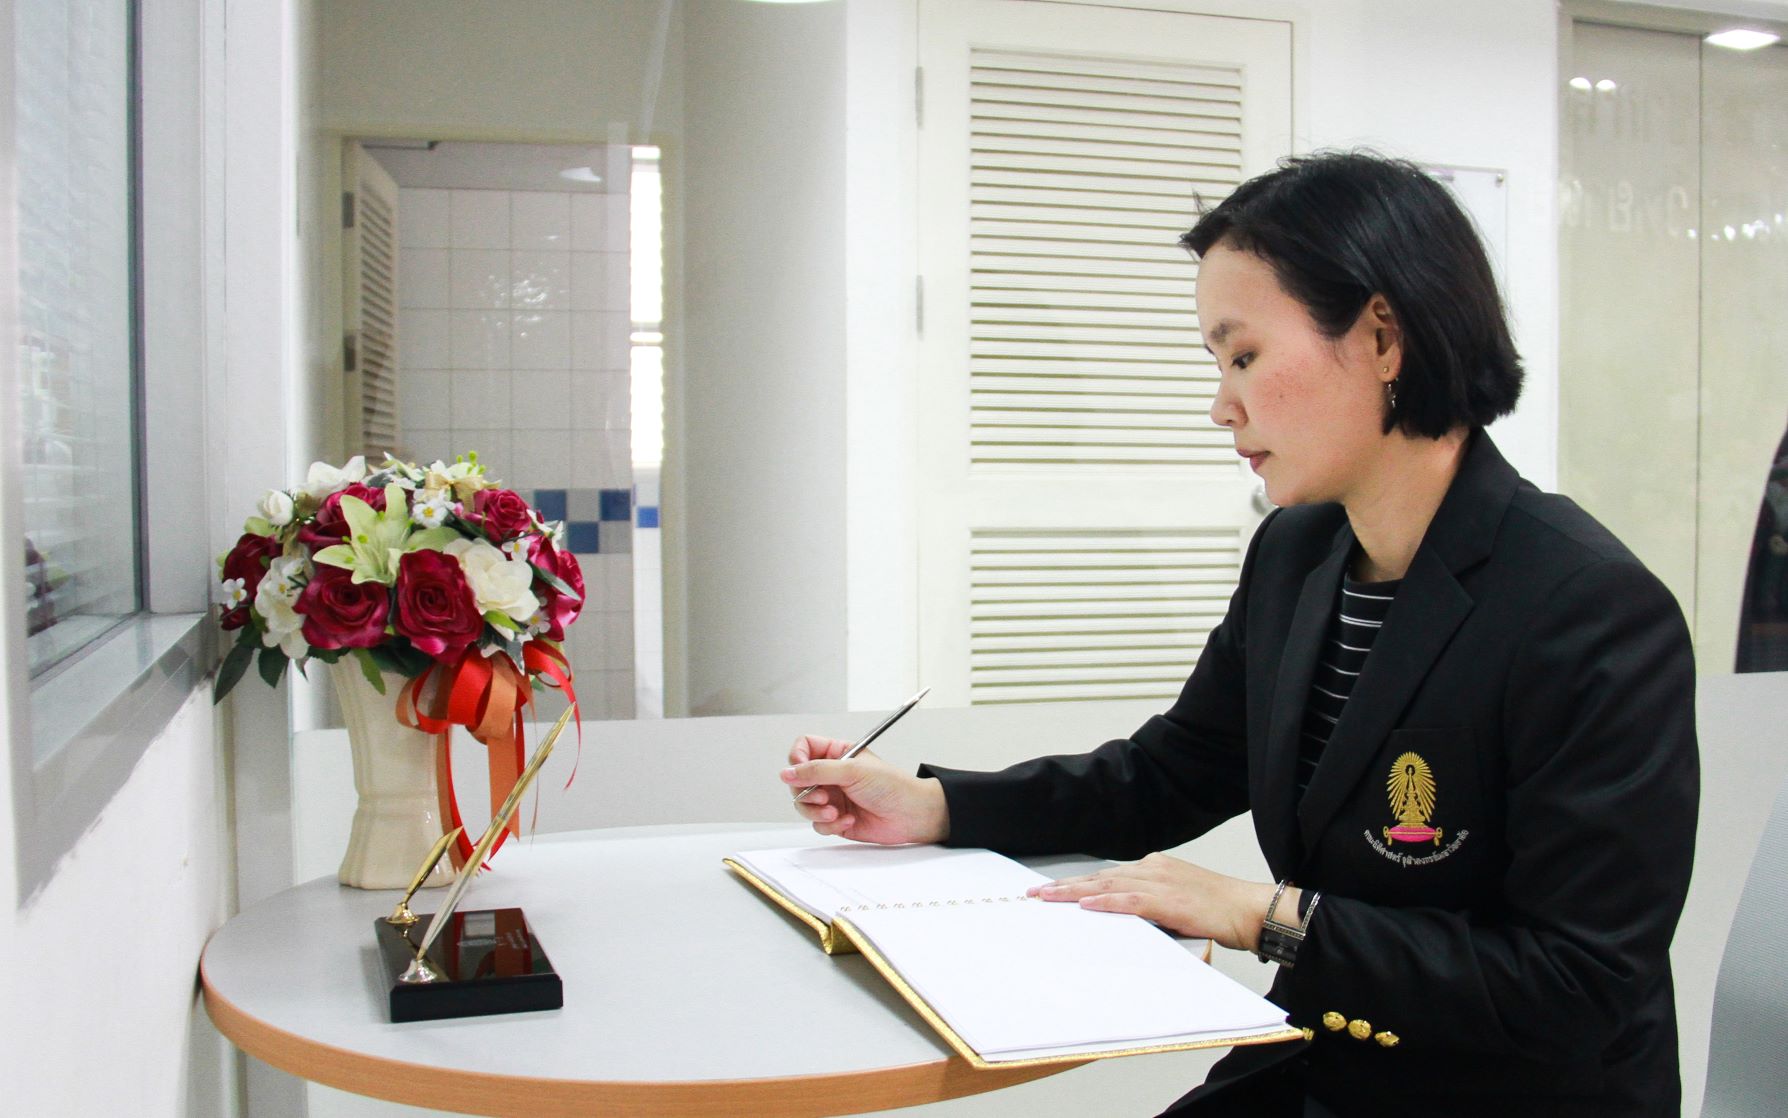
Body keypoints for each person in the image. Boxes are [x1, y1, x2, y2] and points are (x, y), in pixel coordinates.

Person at [779, 151, 1700, 1117]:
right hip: (1327, 1067)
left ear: (1383, 338)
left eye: (1246, 356)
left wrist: (1265, 917)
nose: (1223, 405)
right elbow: (1170, 773)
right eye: (1218, 365)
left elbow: (1576, 982)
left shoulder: (1587, 608)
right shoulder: (1298, 554)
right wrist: (934, 807)